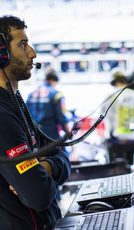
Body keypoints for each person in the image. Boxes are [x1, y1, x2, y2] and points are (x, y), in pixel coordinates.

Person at [0, 15, 71, 229]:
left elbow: (61, 154)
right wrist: (43, 171)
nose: (33, 53)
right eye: (23, 45)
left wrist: (47, 166)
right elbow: (38, 195)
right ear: (1, 54)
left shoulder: (15, 101)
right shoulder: (2, 114)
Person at [103, 69, 134, 165]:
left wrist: (110, 133)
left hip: (118, 138)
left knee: (115, 168)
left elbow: (107, 115)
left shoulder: (113, 95)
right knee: (131, 165)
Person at [26, 68, 70, 140]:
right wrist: (68, 132)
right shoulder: (57, 95)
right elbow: (61, 117)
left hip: (34, 136)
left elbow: (25, 115)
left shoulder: (31, 94)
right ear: (56, 80)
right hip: (51, 136)